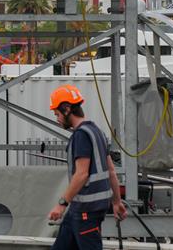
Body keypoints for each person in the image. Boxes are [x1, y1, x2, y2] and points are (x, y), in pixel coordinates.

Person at [48, 85, 127, 250]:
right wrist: (116, 201)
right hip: (82, 209)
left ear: (67, 109)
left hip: (86, 211)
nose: (57, 119)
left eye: (57, 114)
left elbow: (82, 174)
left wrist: (61, 204)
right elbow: (111, 170)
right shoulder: (96, 131)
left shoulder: (81, 136)